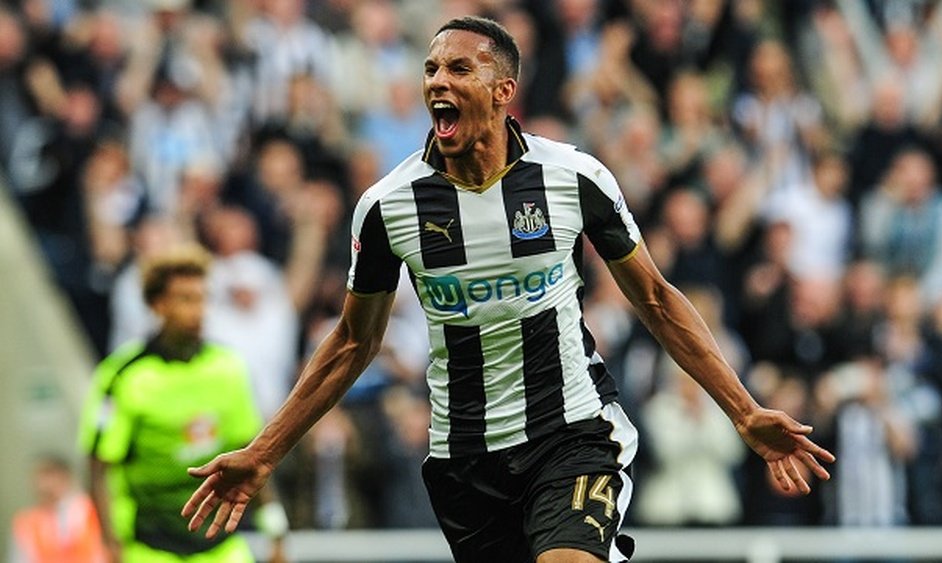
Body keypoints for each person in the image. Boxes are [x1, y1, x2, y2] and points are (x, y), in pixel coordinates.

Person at [182, 16, 835, 563]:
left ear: (502, 91)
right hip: (465, 459)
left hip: (572, 431)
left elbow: (658, 300)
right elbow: (354, 341)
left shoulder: (573, 178)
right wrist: (265, 452)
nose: (438, 80)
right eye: (432, 69)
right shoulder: (389, 206)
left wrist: (744, 410)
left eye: (459, 69)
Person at [78, 246, 287, 562]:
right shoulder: (122, 376)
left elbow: (253, 454)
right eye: (186, 299)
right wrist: (110, 544)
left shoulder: (229, 367)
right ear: (158, 304)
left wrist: (275, 530)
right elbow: (98, 466)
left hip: (221, 547)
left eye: (203, 298)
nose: (198, 310)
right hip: (149, 547)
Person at [9, 455, 106, 563]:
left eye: (49, 475)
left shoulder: (90, 511)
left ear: (65, 477)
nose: (43, 484)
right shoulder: (27, 522)